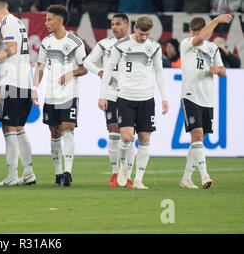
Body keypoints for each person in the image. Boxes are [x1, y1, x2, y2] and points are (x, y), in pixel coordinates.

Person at [98, 15, 169, 190]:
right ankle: (123, 167)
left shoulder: (154, 47)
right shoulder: (121, 46)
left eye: (146, 34)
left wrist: (164, 97)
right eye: (141, 34)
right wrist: (103, 95)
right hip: (125, 97)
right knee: (126, 136)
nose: (143, 38)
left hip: (146, 98)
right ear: (135, 28)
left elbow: (159, 72)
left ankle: (138, 179)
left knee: (145, 138)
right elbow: (107, 69)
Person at [0, 0, 36, 186]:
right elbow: (21, 52)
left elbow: (12, 48)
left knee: (8, 128)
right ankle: (28, 173)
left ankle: (12, 176)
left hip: (11, 82)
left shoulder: (7, 23)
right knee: (19, 128)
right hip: (23, 82)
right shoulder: (19, 23)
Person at [32, 5, 87, 186]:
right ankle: (57, 173)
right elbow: (40, 67)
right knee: (54, 132)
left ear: (59, 21)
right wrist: (34, 88)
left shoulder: (75, 42)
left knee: (68, 129)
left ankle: (67, 172)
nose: (46, 22)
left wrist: (70, 74)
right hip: (51, 94)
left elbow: (84, 67)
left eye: (49, 19)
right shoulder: (46, 42)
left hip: (69, 94)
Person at [179, 14, 232, 189]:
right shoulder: (186, 44)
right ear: (190, 31)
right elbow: (200, 38)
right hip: (190, 95)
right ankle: (204, 177)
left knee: (197, 141)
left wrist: (218, 69)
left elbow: (224, 72)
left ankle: (186, 179)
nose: (196, 35)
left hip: (207, 98)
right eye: (193, 32)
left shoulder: (212, 48)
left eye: (198, 32)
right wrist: (216, 20)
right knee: (198, 135)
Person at [83, 13, 134, 188]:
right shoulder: (105, 44)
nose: (114, 27)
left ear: (127, 25)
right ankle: (114, 174)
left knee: (128, 135)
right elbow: (87, 61)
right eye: (112, 24)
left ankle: (126, 175)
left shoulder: (135, 44)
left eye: (118, 24)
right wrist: (100, 72)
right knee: (113, 132)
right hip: (111, 94)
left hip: (131, 95)